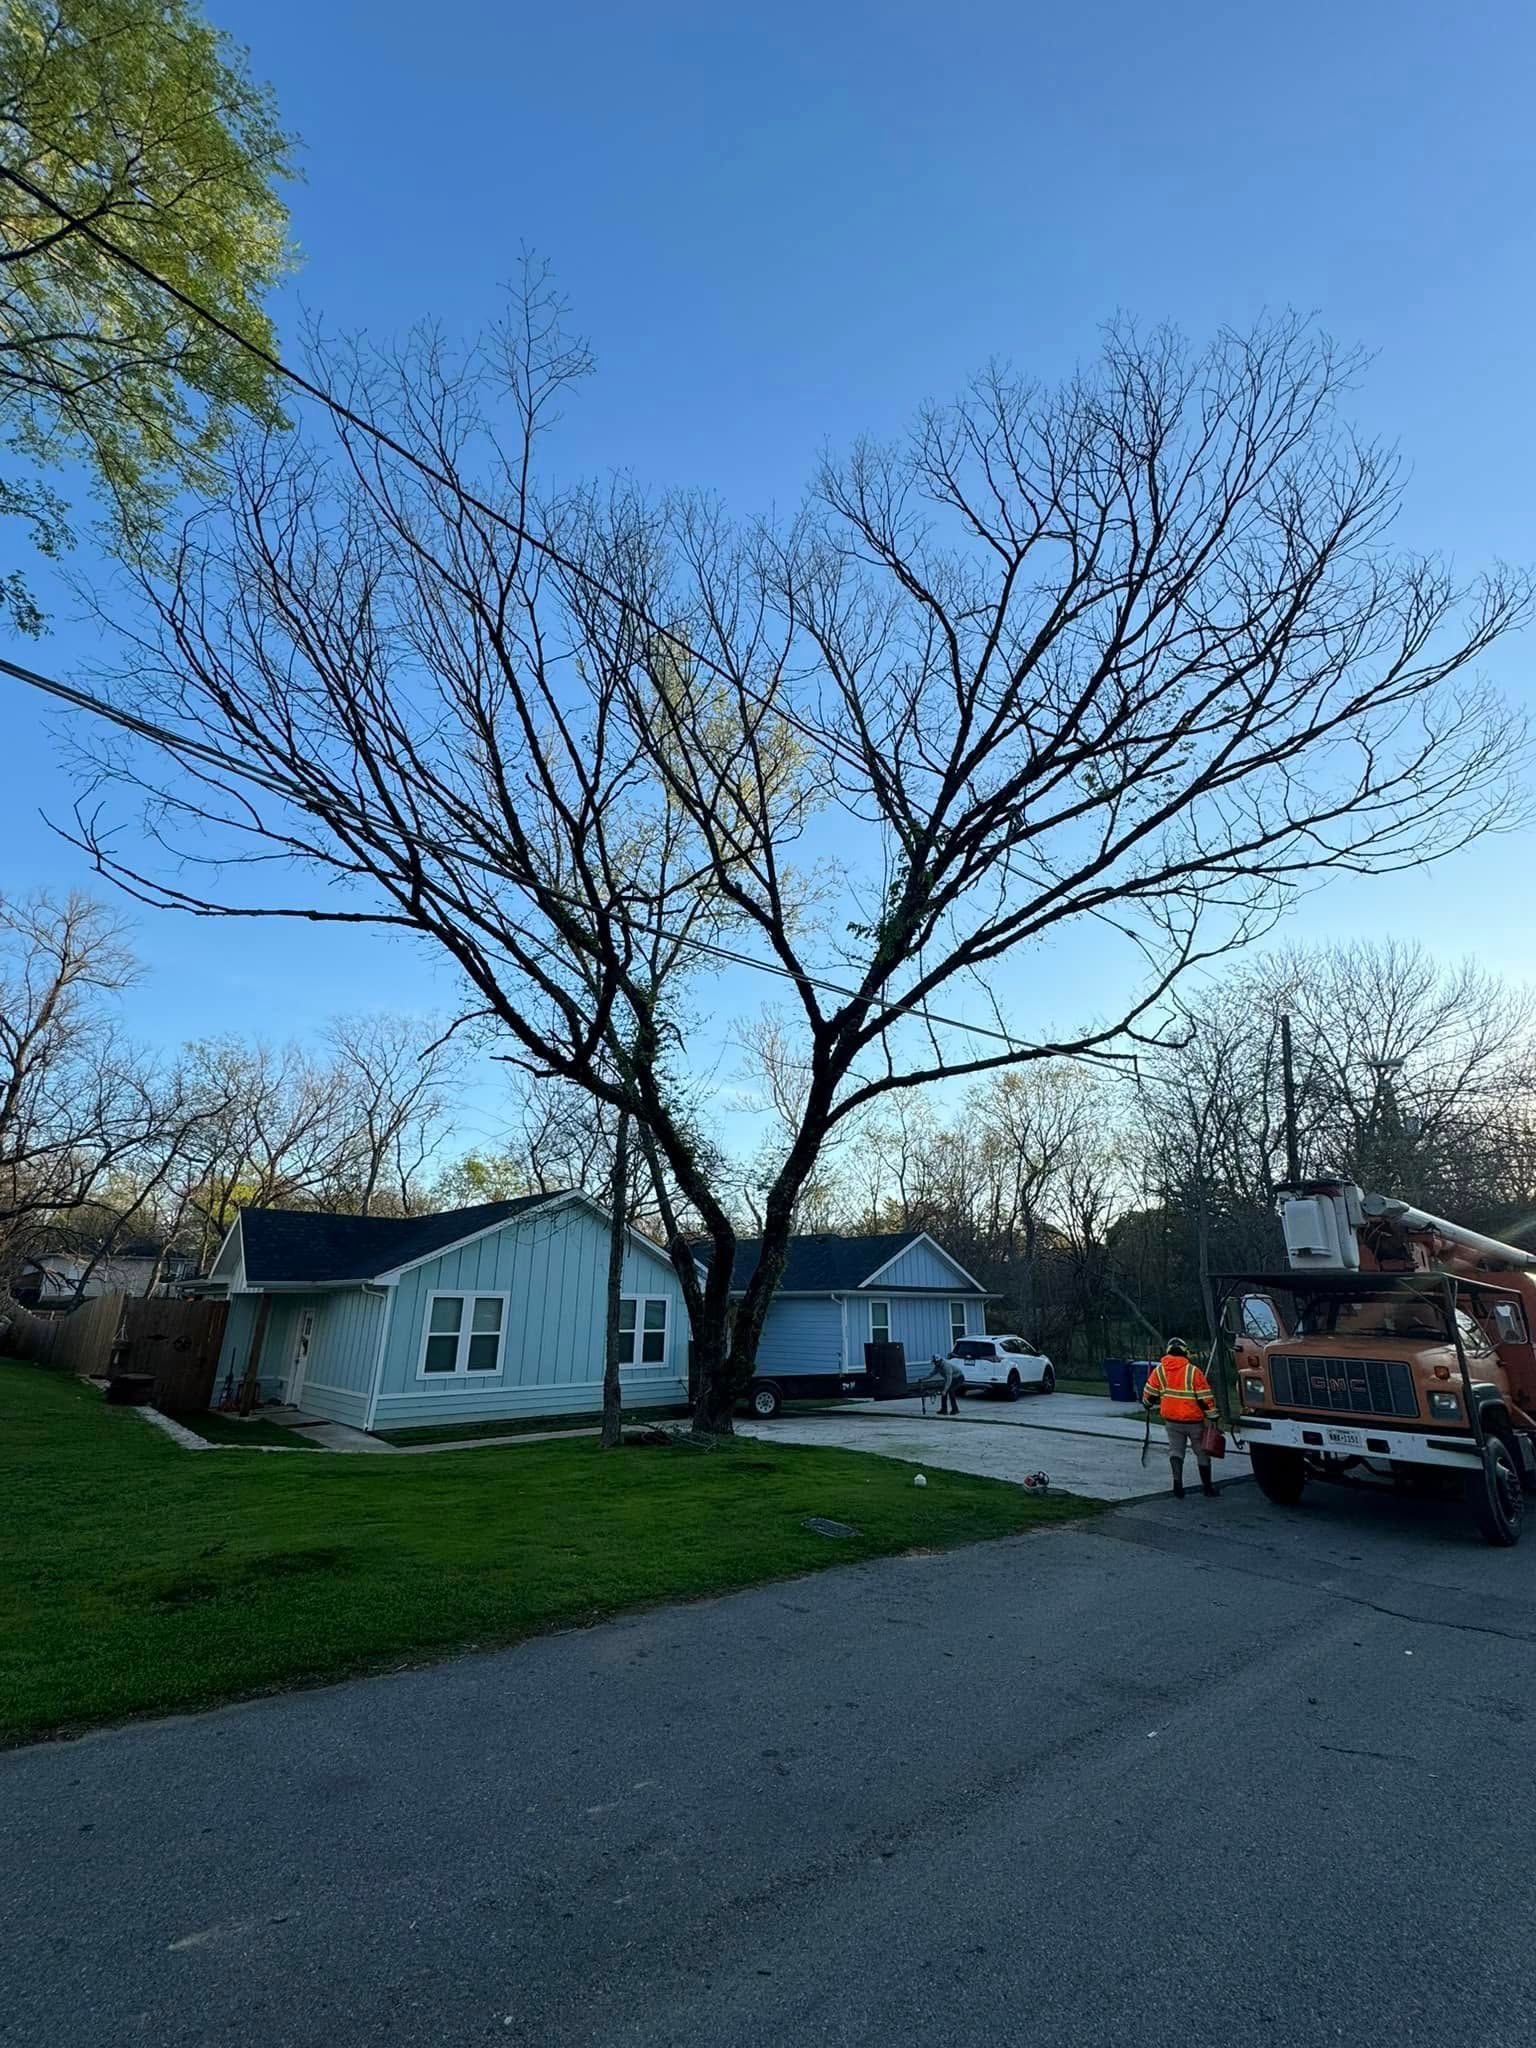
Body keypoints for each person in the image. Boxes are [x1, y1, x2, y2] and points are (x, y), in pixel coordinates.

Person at [1142, 1340, 1219, 1499]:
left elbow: (1149, 1394)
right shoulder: (1193, 1371)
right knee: (1202, 1453)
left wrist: (1147, 1404)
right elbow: (1205, 1398)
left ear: (1169, 1351)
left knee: (1176, 1452)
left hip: (1172, 1421)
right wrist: (1213, 1417)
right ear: (1186, 1352)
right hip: (1194, 1422)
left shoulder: (1160, 1370)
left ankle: (1177, 1487)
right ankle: (1207, 1488)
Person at [933, 1351, 962, 1417]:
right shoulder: (938, 1366)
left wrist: (945, 1390)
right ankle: (944, 1410)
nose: (935, 1364)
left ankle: (955, 1409)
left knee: (950, 1391)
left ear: (939, 1361)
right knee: (944, 1392)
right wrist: (924, 1378)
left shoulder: (946, 1367)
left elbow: (949, 1380)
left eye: (936, 1362)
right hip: (952, 1378)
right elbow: (932, 1374)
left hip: (958, 1378)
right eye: (934, 1362)